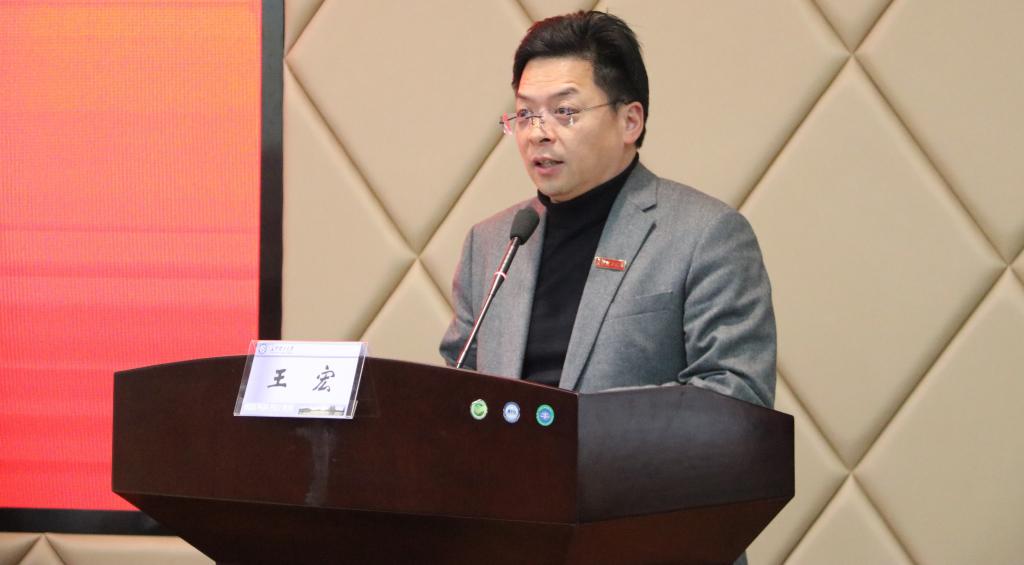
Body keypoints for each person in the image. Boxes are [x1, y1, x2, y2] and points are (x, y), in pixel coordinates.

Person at [440, 12, 777, 562]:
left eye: (565, 112)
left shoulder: (705, 234)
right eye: (524, 114)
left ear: (629, 121)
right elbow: (456, 389)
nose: (538, 133)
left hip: (653, 541)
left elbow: (736, 403)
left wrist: (571, 442)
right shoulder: (493, 241)